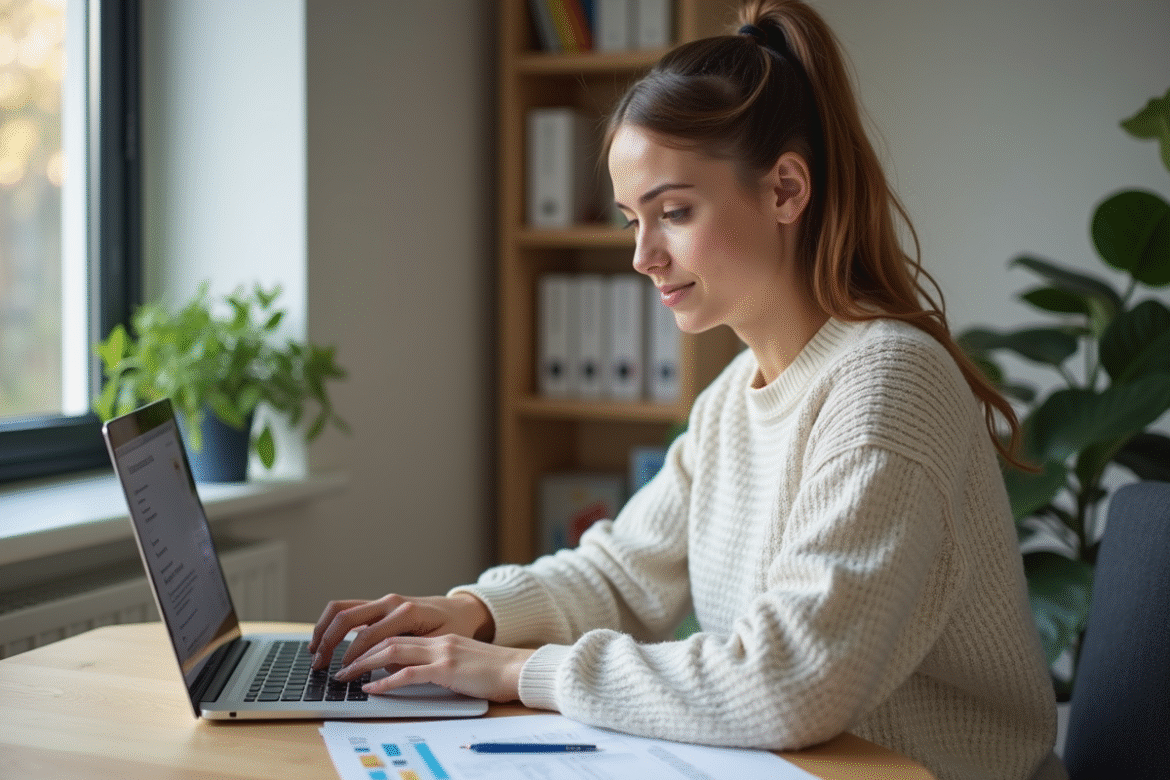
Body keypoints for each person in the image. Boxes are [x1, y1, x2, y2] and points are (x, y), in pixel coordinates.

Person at [310, 2, 1062, 778]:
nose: (643, 255)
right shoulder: (736, 397)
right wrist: (475, 611)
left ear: (785, 190)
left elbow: (789, 684)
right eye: (633, 219)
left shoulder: (889, 383)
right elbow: (625, 572)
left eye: (674, 212)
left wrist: (514, 671)